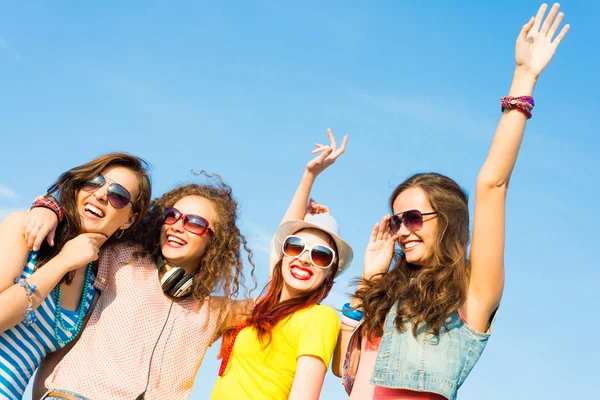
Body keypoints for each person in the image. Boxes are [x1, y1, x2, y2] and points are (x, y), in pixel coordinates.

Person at [332, 4, 570, 400]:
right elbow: (344, 370)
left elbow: (492, 185)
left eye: (412, 217)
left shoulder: (472, 293)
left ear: (447, 221)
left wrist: (524, 77)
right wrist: (371, 283)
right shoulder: (388, 298)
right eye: (395, 221)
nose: (402, 230)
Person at [211, 130, 352, 400]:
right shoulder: (263, 308)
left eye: (320, 255)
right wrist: (308, 177)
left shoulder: (318, 318)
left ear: (330, 274)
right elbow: (281, 237)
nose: (304, 258)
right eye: (296, 247)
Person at [0, 153, 152, 400]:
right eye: (94, 181)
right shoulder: (25, 230)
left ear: (129, 220)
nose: (101, 194)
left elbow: (47, 386)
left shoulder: (91, 294)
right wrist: (62, 262)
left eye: (118, 195)